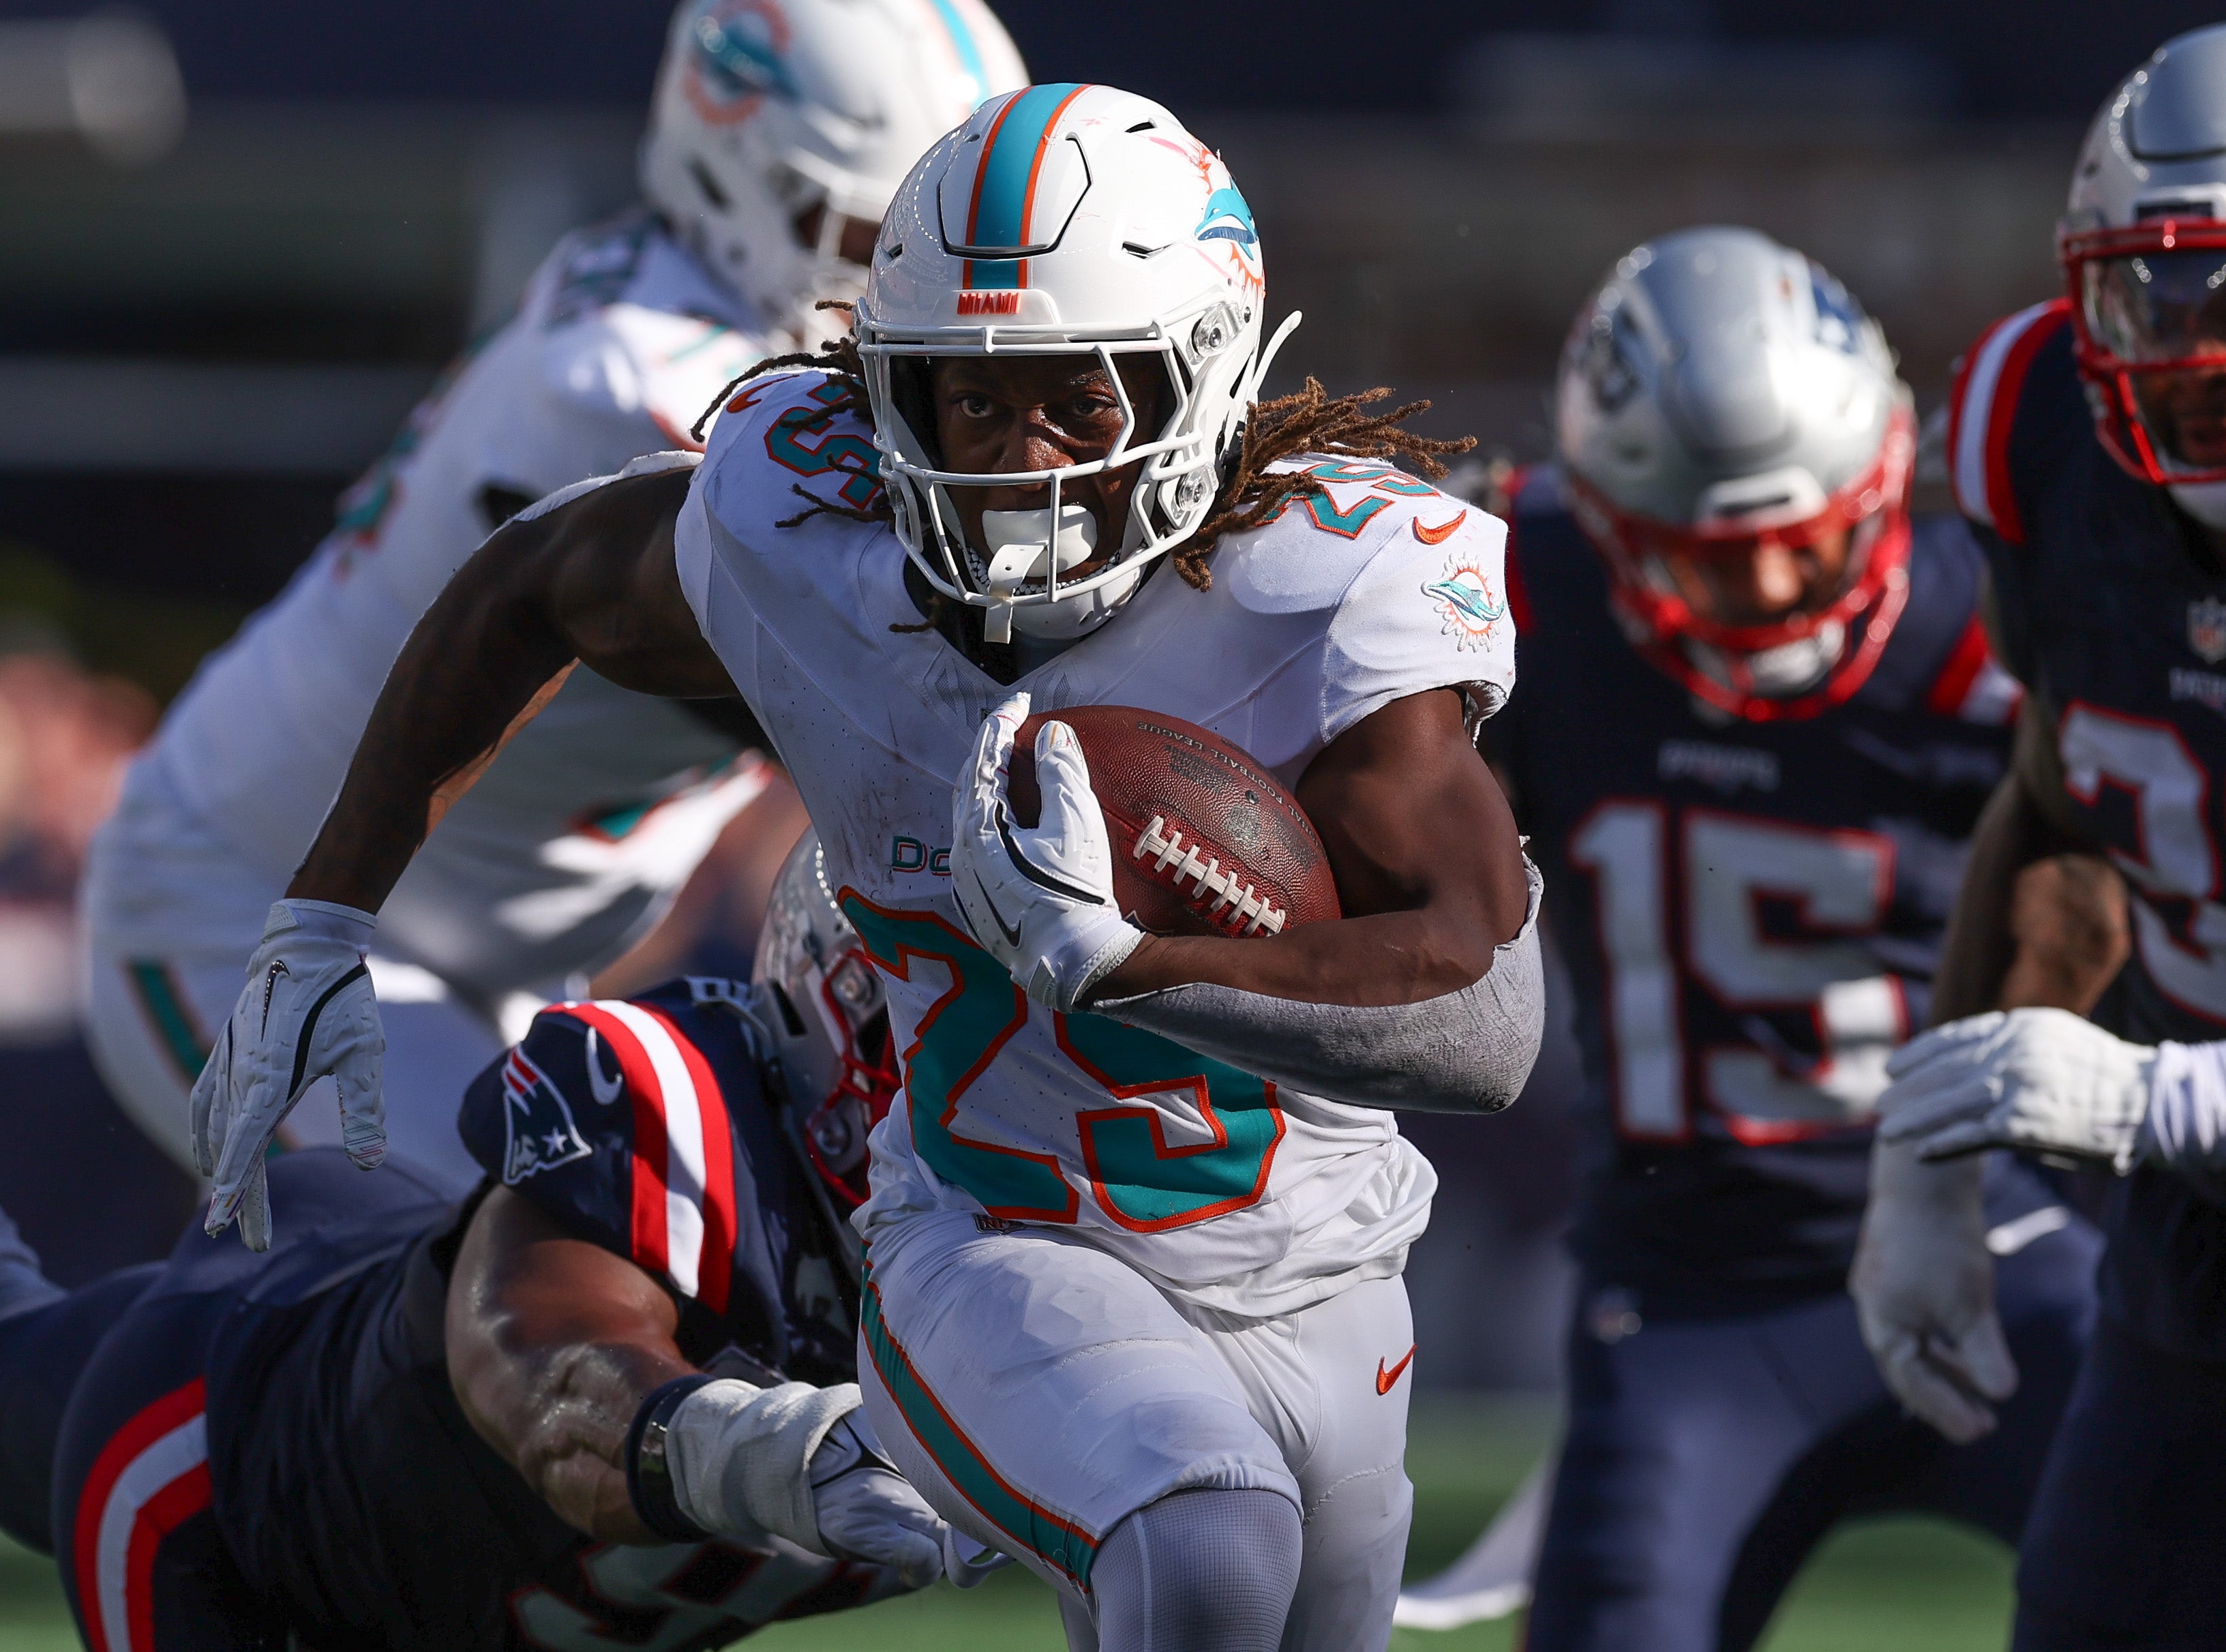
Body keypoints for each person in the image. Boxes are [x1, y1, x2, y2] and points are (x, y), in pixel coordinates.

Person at [185, 83, 1544, 1652]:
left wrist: (1133, 970)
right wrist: (327, 904)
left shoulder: (1317, 601)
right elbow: (532, 582)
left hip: (1317, 1267)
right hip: (994, 1234)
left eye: (1079, 402)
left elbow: (1480, 1024)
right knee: (1204, 1538)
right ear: (888, 390)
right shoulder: (811, 538)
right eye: (969, 399)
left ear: (1206, 378)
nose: (1016, 459)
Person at [80, 0, 1025, 1190]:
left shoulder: (695, 314)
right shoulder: (639, 386)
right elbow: (917, 685)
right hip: (246, 915)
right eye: (872, 232)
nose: (910, 287)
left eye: (952, 246)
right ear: (734, 176)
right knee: (522, 1296)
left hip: (496, 963)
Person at [0, 834, 998, 1650]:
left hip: (436, 1488)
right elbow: (552, 1381)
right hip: (223, 1475)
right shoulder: (690, 1114)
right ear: (850, 1025)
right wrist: (770, 1452)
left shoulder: (1125, 1261)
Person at [1453, 226, 2102, 1652]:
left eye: (1800, 545)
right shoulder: (1524, 598)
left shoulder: (1991, 632)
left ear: (1880, 485)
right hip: (1692, 1304)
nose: (1760, 600)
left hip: (2001, 1255)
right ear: (1610, 524)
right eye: (1704, 561)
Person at [1854, 25, 2226, 1649]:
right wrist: (1925, 1168)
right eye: (2169, 293)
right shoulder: (2033, 425)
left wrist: (2157, 1093)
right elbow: (2067, 792)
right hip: (2188, 1238)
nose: (2204, 355)